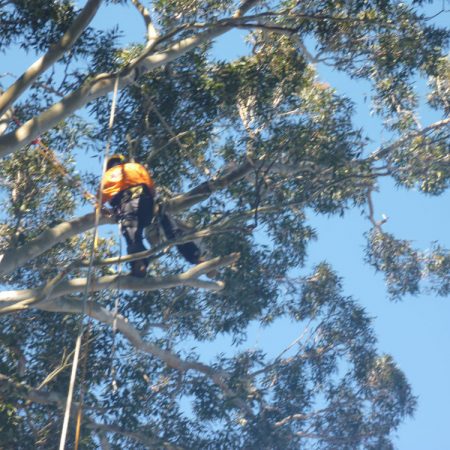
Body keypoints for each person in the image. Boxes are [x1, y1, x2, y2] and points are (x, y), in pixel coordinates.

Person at [101, 154, 155, 277]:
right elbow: (152, 189)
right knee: (139, 231)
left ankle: (139, 263)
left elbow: (100, 199)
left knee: (130, 231)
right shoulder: (136, 167)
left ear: (109, 166)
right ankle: (195, 255)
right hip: (146, 204)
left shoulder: (110, 174)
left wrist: (101, 209)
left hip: (128, 204)